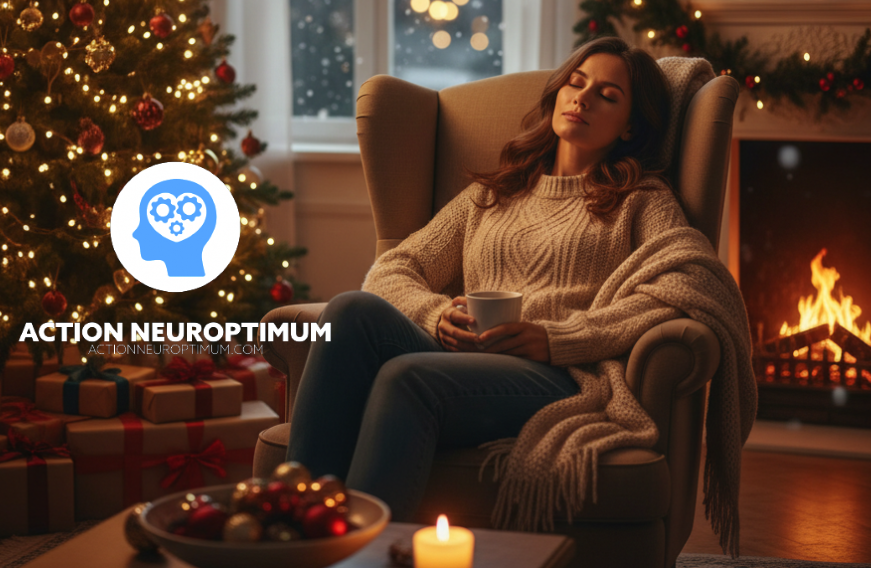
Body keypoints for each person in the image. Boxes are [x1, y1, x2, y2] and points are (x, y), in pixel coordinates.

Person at [285, 36, 693, 521]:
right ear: (558, 92)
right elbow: (393, 268)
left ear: (630, 127)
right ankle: (294, 523)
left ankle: (361, 553)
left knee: (408, 377)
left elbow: (681, 286)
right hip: (463, 355)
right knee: (350, 309)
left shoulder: (642, 199)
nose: (582, 97)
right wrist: (435, 315)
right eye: (576, 82)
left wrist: (556, 339)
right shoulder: (496, 192)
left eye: (607, 95)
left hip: (557, 376)